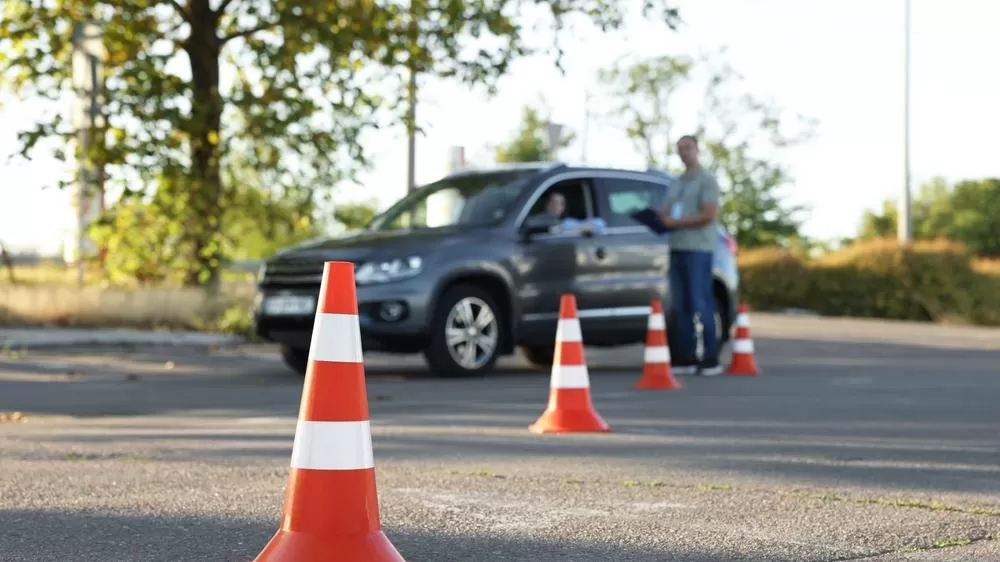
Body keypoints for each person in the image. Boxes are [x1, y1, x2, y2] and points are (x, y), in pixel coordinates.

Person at [657, 135, 723, 376]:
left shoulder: (706, 181)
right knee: (680, 304)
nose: (683, 152)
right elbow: (665, 211)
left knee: (700, 301)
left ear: (697, 149)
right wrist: (658, 219)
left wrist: (676, 221)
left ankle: (710, 357)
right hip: (677, 248)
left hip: (698, 249)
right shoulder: (676, 183)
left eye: (687, 147)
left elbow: (708, 214)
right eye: (679, 149)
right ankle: (685, 357)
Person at [527, 192, 607, 235]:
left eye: (561, 204)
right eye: (553, 202)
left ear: (563, 208)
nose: (556, 206)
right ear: (547, 204)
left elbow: (600, 224)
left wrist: (570, 229)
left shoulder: (567, 223)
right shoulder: (537, 220)